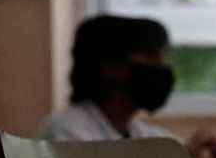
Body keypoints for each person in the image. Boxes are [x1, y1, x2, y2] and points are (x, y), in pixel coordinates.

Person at [38, 15, 178, 142]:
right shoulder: (66, 131)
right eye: (151, 57)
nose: (162, 67)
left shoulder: (149, 136)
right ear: (111, 67)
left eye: (163, 58)